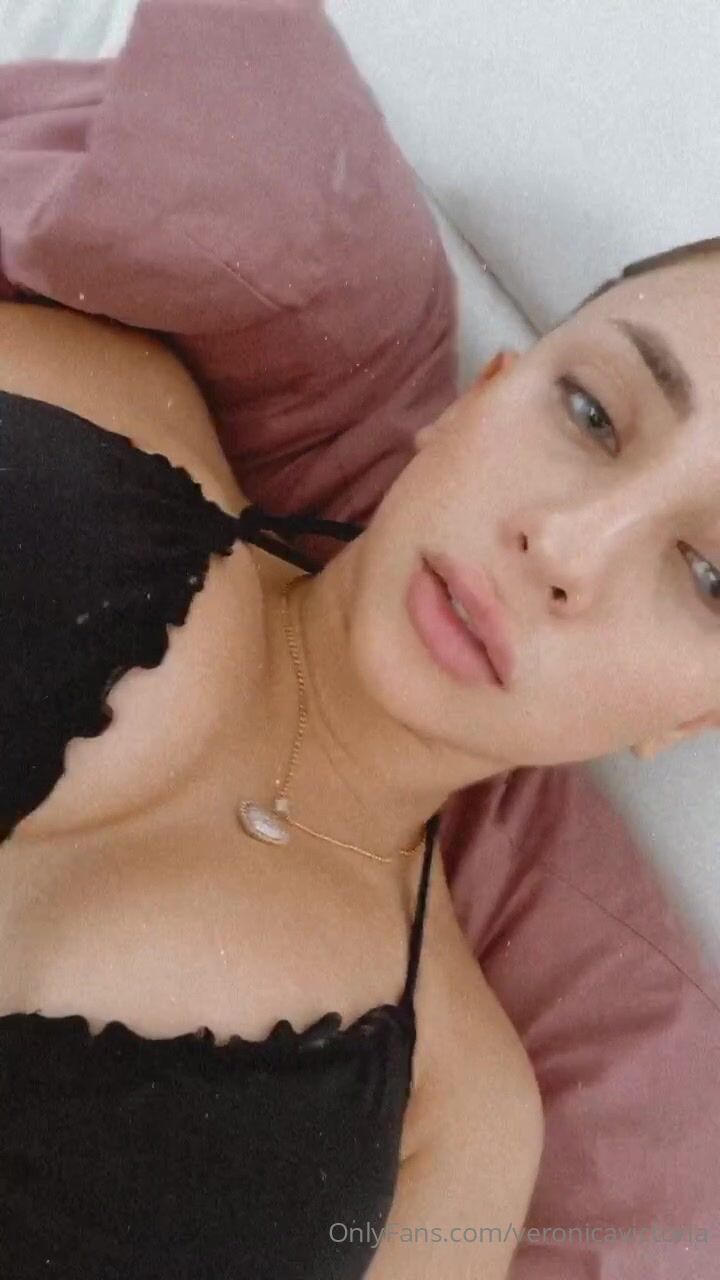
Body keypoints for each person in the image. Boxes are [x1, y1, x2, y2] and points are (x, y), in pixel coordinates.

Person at [1, 4, 719, 1279]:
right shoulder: (92, 399)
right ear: (479, 401)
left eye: (710, 577)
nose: (565, 546)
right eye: (591, 412)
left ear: (696, 718)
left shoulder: (461, 1133)